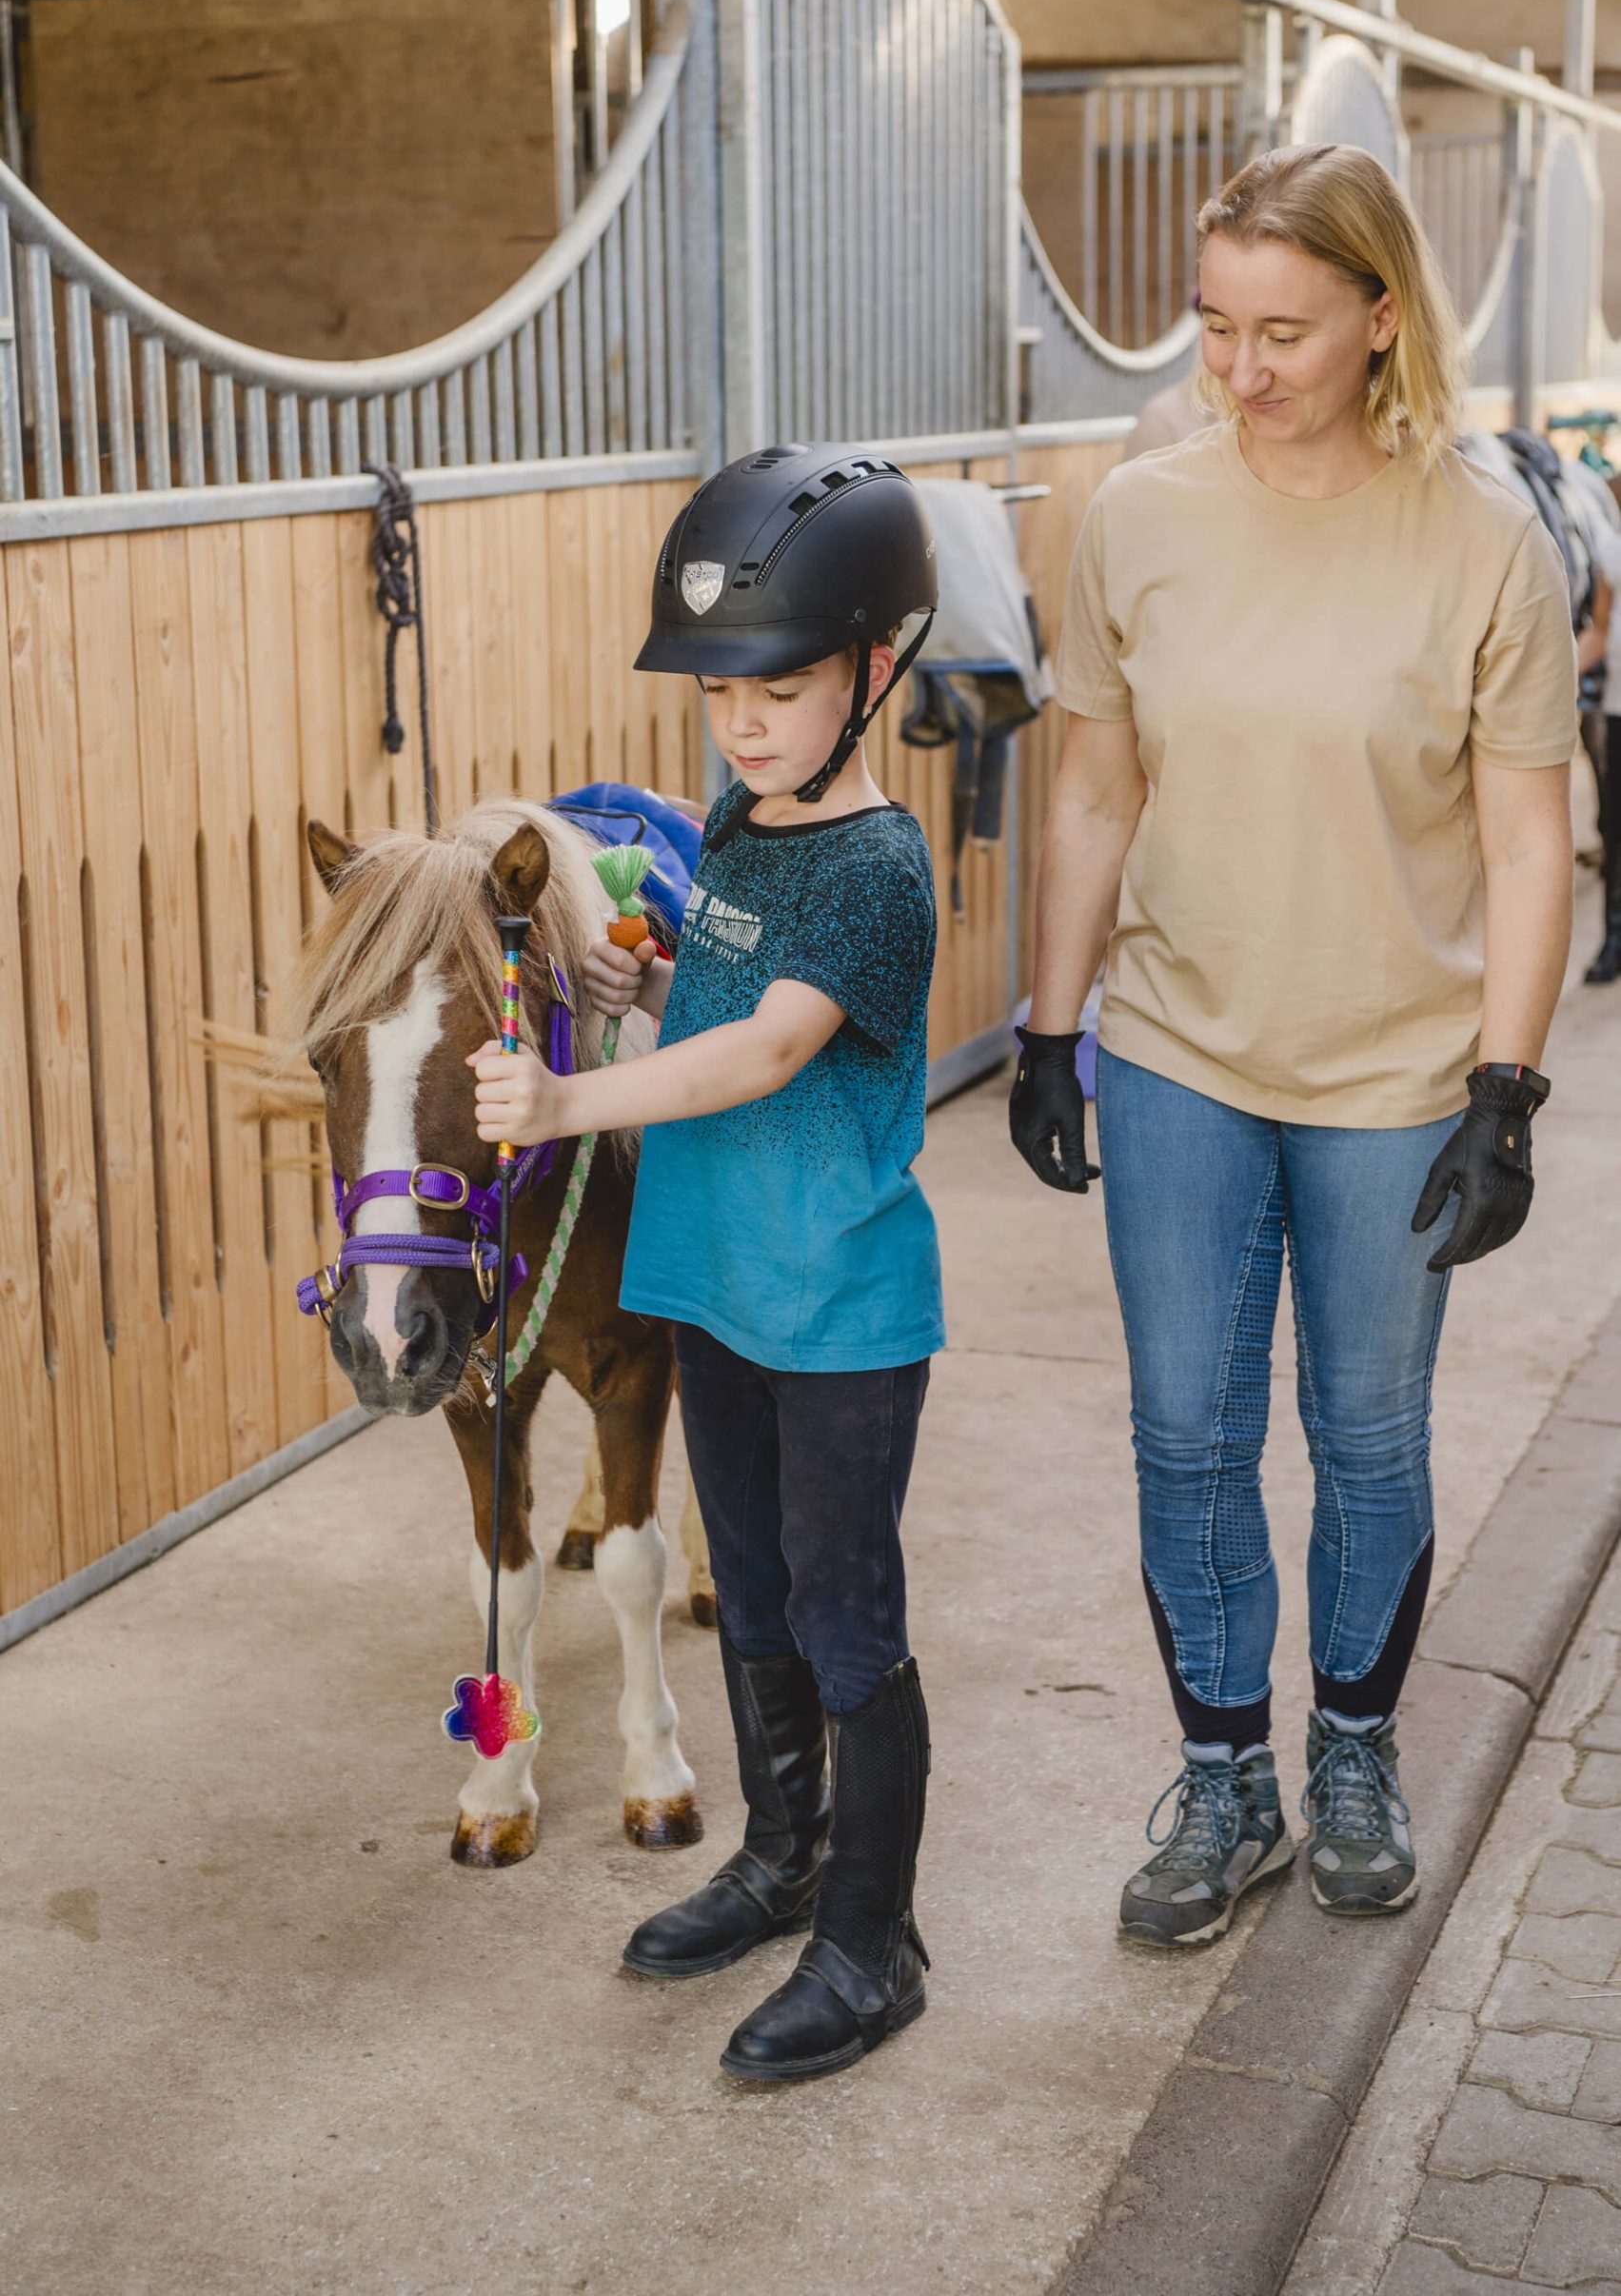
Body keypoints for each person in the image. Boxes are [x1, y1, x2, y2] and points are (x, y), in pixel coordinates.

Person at [1010, 145, 1576, 1947]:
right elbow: (1094, 792)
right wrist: (1048, 1028)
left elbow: (1525, 842)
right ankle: (1224, 1781)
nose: (1239, 370)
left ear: (1382, 318)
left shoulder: (1486, 542)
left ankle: (1352, 1751)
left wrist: (1507, 1089)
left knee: (1369, 1433)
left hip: (1396, 1077)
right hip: (1178, 1051)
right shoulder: (1140, 517)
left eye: (1284, 333)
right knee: (1186, 1433)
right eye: (1213, 326)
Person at [468, 443, 944, 2077]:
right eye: (719, 690)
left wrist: (566, 1098)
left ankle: (872, 1944)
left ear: (872, 671)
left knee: (843, 1612)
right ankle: (780, 1859)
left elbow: (768, 1054)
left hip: (835, 1308)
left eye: (780, 689)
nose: (740, 725)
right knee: (743, 1586)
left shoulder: (877, 867)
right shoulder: (741, 820)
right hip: (718, 1285)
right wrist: (638, 990)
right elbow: (718, 1012)